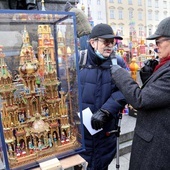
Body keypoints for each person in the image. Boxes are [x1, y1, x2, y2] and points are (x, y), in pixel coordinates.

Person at [110, 16, 170, 170]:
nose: (156, 46)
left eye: (159, 41)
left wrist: (120, 73)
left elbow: (140, 99)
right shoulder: (164, 64)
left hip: (157, 146)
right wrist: (148, 76)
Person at [79, 23, 127, 170]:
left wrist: (106, 110)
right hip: (82, 133)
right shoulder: (79, 60)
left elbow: (126, 89)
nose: (109, 45)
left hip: (105, 131)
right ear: (93, 42)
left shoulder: (117, 62)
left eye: (112, 42)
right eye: (105, 41)